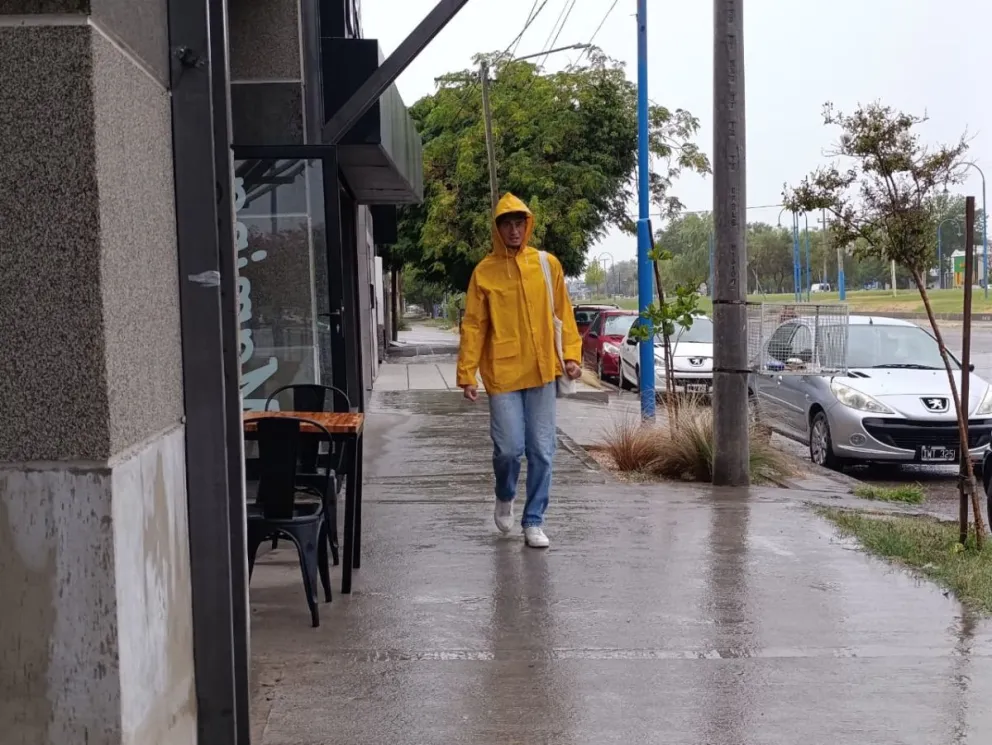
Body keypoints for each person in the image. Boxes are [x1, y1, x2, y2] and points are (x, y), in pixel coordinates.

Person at [456, 193, 582, 548]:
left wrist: (571, 356)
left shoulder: (546, 264)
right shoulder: (484, 272)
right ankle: (505, 493)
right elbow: (474, 325)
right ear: (497, 229)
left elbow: (563, 312)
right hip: (503, 373)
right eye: (507, 224)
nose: (514, 230)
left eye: (519, 223)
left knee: (542, 450)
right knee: (509, 449)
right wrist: (467, 373)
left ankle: (534, 520)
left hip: (542, 370)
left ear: (528, 225)